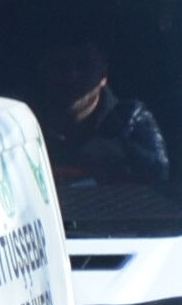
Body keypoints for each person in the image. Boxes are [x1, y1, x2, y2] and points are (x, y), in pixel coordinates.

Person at [34, 37, 171, 193]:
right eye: (61, 66)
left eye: (84, 65)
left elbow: (160, 183)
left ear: (103, 75)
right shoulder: (21, 126)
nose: (72, 76)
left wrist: (119, 154)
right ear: (45, 72)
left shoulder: (130, 123)